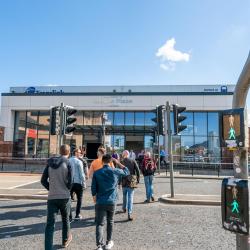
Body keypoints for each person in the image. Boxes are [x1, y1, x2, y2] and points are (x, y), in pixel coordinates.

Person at [91, 154, 129, 250]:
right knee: (110, 221)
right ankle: (108, 242)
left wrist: (94, 197)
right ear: (111, 161)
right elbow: (127, 171)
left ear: (102, 161)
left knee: (100, 223)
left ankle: (99, 245)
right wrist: (118, 162)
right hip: (112, 200)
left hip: (100, 200)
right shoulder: (115, 171)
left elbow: (93, 189)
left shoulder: (97, 173)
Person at [41, 144, 72, 250]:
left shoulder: (50, 163)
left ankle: (48, 248)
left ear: (60, 151)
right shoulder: (68, 162)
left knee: (50, 224)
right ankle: (64, 241)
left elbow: (43, 180)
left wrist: (51, 188)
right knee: (65, 219)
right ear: (69, 152)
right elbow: (70, 181)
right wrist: (67, 188)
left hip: (52, 197)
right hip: (64, 196)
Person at [120, 150, 140, 221]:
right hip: (132, 180)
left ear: (123, 154)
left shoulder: (121, 162)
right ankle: (129, 213)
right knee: (130, 197)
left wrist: (119, 183)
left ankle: (124, 208)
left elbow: (119, 173)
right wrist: (138, 180)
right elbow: (138, 170)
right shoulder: (133, 160)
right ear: (128, 154)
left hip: (124, 180)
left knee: (124, 195)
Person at [69, 149, 86, 220]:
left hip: (69, 183)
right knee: (79, 199)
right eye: (79, 152)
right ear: (75, 153)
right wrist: (84, 183)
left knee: (68, 200)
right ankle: (77, 215)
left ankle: (69, 216)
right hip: (78, 182)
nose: (80, 154)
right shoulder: (79, 161)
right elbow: (81, 173)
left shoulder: (68, 160)